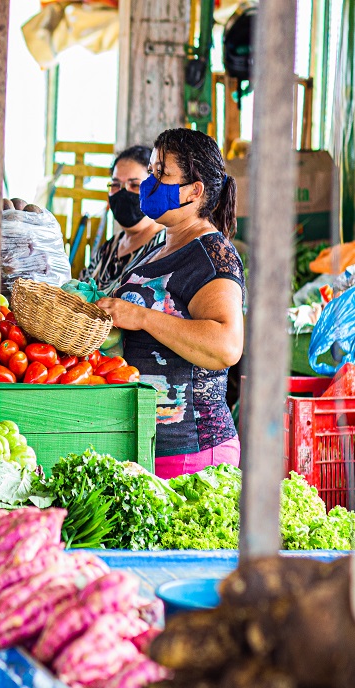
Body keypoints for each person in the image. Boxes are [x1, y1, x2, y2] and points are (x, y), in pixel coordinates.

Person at [96, 128, 244, 479]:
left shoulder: (212, 254)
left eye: (161, 173)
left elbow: (225, 345)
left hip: (191, 451)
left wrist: (142, 317)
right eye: (151, 171)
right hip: (150, 446)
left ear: (195, 190)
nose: (151, 182)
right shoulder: (164, 247)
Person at [80, 145, 166, 296]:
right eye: (115, 185)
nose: (123, 193)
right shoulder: (110, 247)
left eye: (134, 185)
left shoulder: (162, 248)